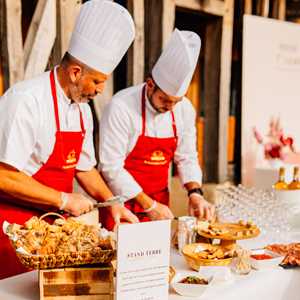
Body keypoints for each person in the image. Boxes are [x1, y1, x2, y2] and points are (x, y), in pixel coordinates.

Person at [0, 0, 139, 279]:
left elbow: (84, 169)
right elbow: (4, 176)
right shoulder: (26, 100)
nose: (101, 90)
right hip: (14, 234)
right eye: (98, 81)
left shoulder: (82, 110)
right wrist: (63, 199)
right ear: (76, 72)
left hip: (54, 235)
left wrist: (112, 202)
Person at [99, 28, 215, 231]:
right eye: (164, 99)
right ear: (150, 84)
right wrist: (148, 204)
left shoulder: (185, 109)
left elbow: (187, 156)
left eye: (176, 101)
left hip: (160, 205)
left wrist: (195, 193)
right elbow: (111, 168)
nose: (170, 107)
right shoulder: (121, 106)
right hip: (121, 207)